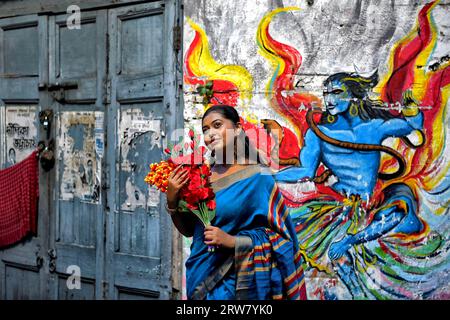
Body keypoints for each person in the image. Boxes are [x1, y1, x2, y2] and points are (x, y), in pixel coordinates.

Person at [273, 71, 440, 299]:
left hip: (371, 204)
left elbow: (412, 126)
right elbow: (305, 171)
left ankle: (352, 241)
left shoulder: (373, 127)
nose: (329, 99)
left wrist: (412, 109)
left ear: (353, 96)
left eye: (336, 92)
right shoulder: (319, 134)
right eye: (326, 93)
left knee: (401, 203)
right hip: (341, 205)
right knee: (332, 257)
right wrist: (269, 177)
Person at [166, 105, 307, 300]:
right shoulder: (201, 176)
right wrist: (172, 201)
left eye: (217, 125)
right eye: (205, 130)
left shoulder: (257, 178)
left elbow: (284, 240)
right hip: (199, 277)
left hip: (235, 284)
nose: (210, 134)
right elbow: (191, 230)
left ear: (238, 129)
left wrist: (232, 241)